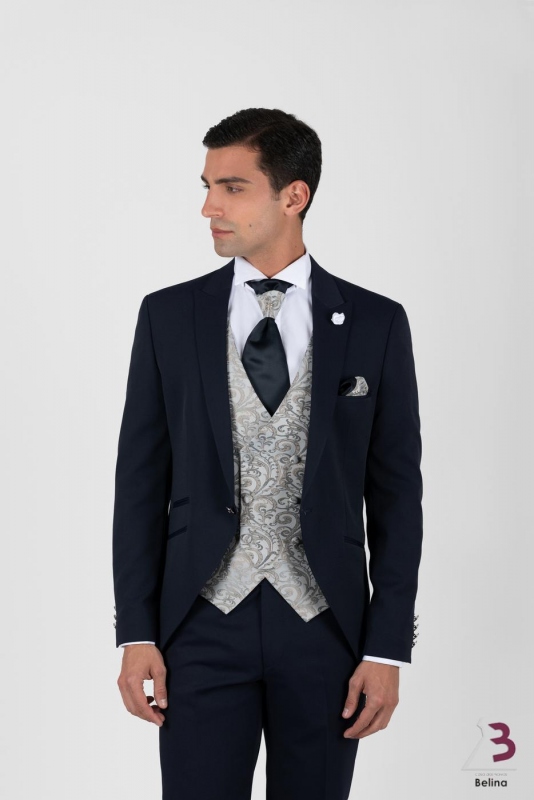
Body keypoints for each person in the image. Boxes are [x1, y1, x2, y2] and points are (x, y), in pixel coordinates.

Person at [112, 107, 423, 800]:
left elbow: (398, 497)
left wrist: (385, 647)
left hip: (327, 632)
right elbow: (139, 483)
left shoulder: (375, 322)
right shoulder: (168, 316)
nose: (209, 208)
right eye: (207, 187)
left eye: (232, 187)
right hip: (198, 627)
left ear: (293, 195)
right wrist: (135, 632)